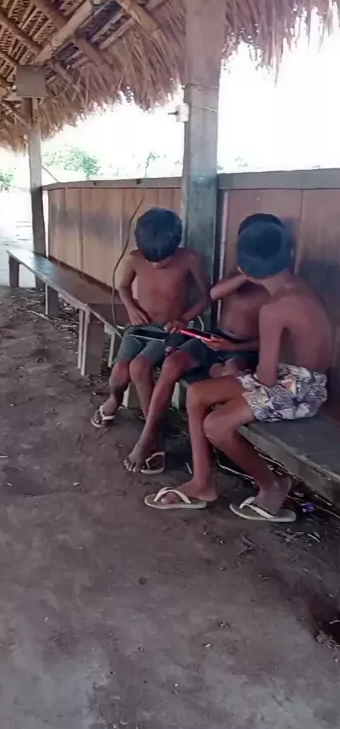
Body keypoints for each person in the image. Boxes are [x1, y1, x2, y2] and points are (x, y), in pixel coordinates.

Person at [144, 220, 331, 523]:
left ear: (244, 269)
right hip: (294, 377)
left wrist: (229, 377)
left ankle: (271, 486)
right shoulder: (299, 287)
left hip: (301, 390)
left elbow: (266, 379)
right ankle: (202, 484)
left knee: (216, 425)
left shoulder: (274, 309)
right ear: (289, 253)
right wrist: (233, 374)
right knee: (197, 393)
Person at [124, 213, 287, 473]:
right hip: (214, 338)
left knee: (231, 372)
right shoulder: (240, 274)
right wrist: (246, 274)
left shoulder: (278, 289)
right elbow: (214, 293)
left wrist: (232, 348)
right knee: (172, 363)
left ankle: (218, 453)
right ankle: (149, 435)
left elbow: (271, 343)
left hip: (241, 350)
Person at [91, 208, 210, 458]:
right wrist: (131, 308)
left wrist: (184, 319)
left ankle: (152, 429)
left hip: (169, 329)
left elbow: (205, 296)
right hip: (139, 326)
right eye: (150, 258)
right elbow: (123, 287)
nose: (155, 264)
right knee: (119, 372)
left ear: (175, 244)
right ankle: (114, 399)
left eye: (162, 259)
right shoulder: (135, 259)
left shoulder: (189, 259)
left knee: (139, 367)